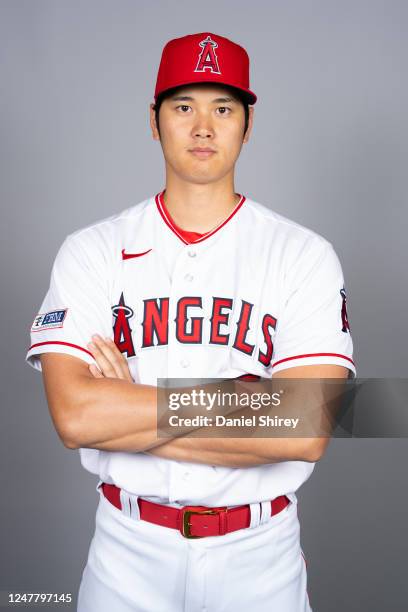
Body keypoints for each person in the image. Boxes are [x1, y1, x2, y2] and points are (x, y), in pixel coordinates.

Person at [25, 32, 356, 612]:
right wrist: (247, 405)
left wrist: (133, 404)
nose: (203, 126)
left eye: (222, 108)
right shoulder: (92, 250)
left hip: (260, 559)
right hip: (127, 552)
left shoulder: (303, 254)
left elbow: (306, 428)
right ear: (154, 121)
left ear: (247, 125)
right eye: (184, 107)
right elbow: (76, 416)